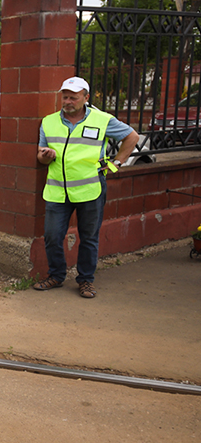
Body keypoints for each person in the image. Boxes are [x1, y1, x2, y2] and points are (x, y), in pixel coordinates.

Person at [33, 76, 139, 298]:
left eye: (73, 97)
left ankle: (86, 280)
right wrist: (46, 156)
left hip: (90, 189)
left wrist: (115, 163)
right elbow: (41, 158)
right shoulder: (49, 122)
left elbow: (132, 137)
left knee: (88, 237)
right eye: (65, 96)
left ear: (86, 98)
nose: (68, 101)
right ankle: (56, 275)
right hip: (57, 190)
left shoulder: (102, 120)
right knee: (52, 236)